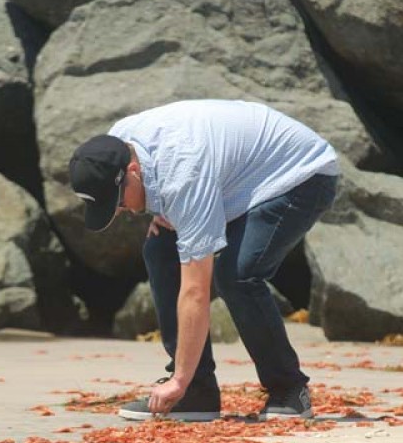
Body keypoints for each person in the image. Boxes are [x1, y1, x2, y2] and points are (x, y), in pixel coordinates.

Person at [69, 99, 339, 421]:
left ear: (133, 172)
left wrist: (176, 380)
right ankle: (197, 394)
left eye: (120, 203)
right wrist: (160, 208)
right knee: (159, 250)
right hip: (235, 176)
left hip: (300, 173)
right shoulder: (117, 142)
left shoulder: (183, 173)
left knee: (237, 274)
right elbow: (161, 183)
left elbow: (196, 290)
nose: (121, 211)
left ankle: (289, 390)